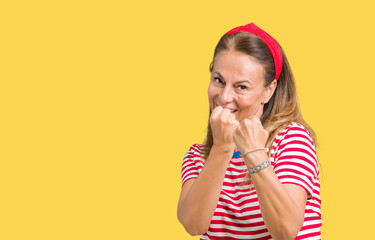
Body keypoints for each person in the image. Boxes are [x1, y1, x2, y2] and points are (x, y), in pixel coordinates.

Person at [177, 22, 322, 240]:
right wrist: (221, 148)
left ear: (268, 91)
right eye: (219, 80)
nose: (224, 97)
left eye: (241, 87)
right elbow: (193, 225)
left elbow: (286, 230)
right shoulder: (197, 157)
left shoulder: (292, 140)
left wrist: (254, 152)